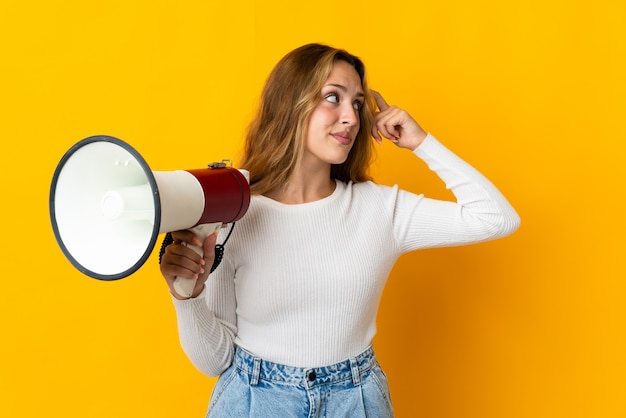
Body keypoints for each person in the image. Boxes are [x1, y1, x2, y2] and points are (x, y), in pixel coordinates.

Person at [159, 43, 520, 417]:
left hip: (357, 400)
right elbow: (215, 362)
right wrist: (186, 295)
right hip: (254, 400)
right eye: (333, 97)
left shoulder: (380, 210)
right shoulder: (235, 212)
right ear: (290, 105)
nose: (350, 117)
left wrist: (420, 142)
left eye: (358, 103)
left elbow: (496, 217)